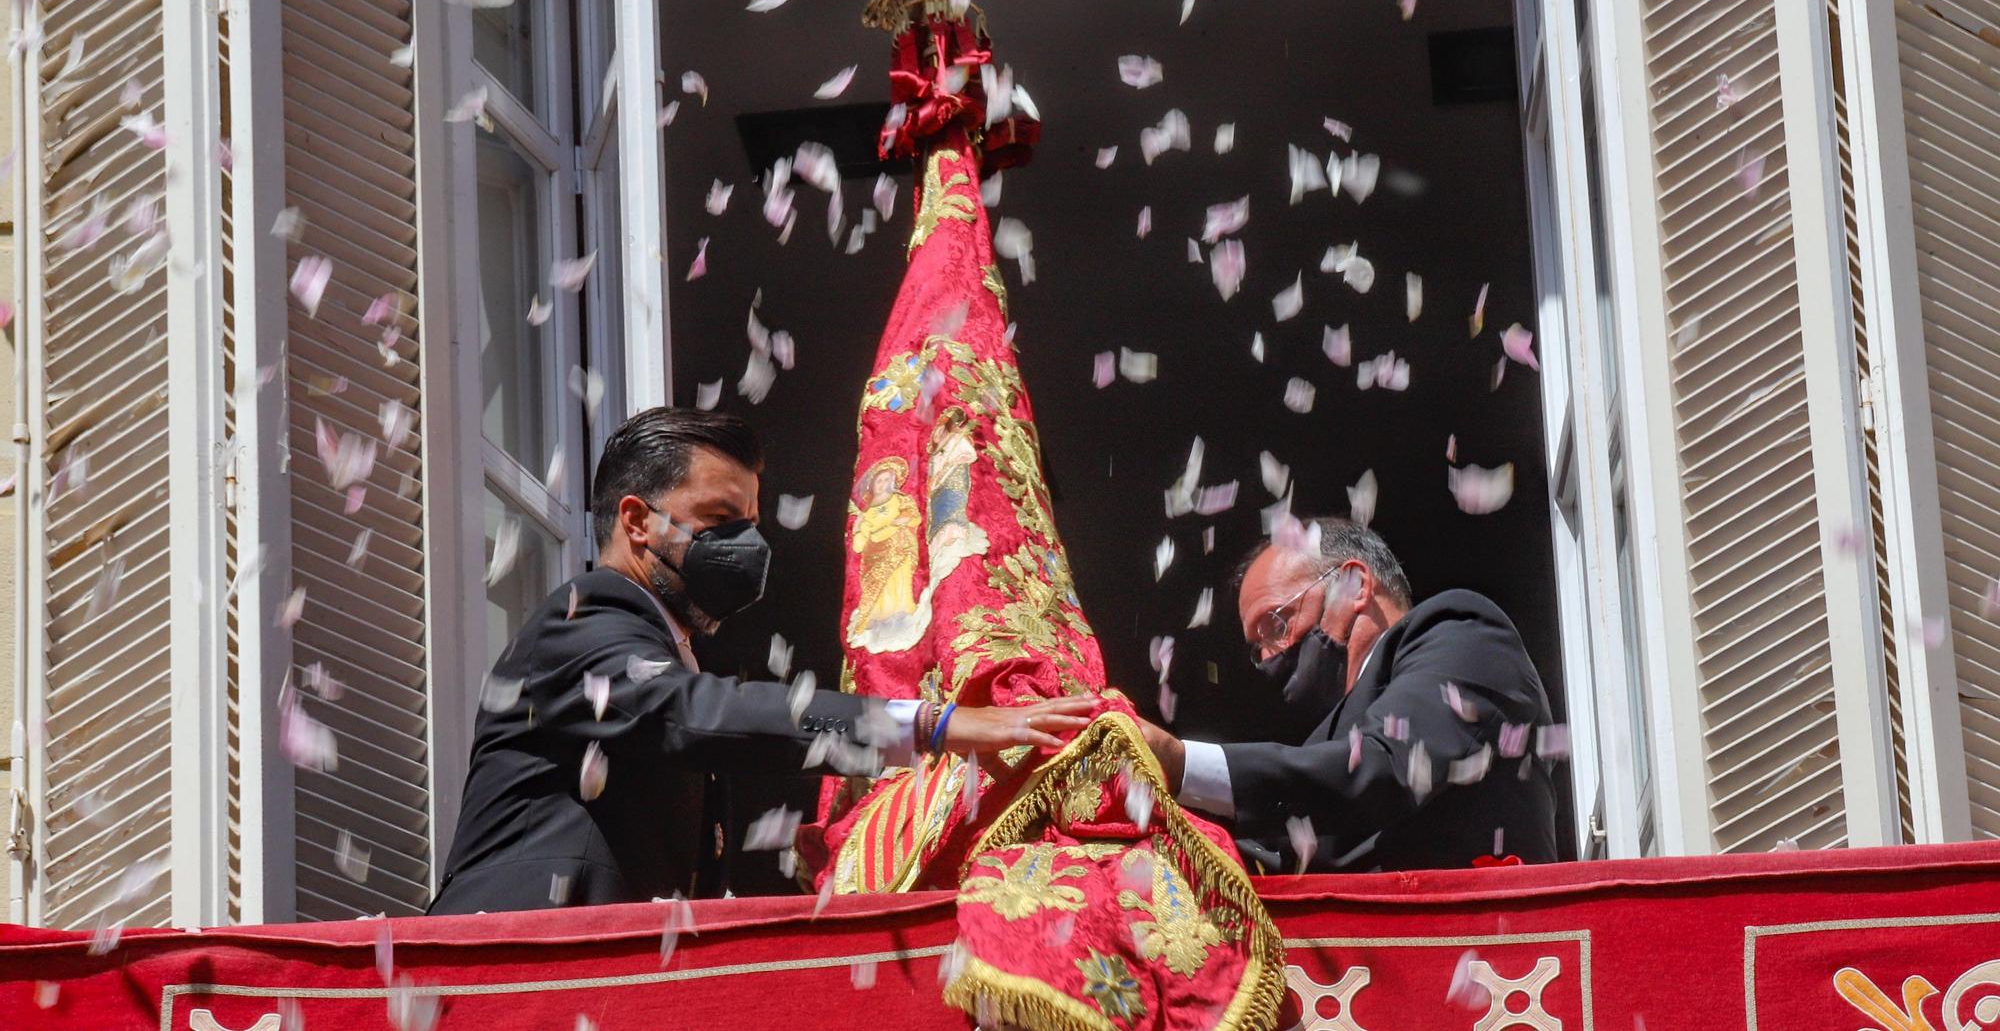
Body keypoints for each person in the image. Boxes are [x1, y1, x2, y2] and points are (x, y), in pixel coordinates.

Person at [430, 407, 1092, 913]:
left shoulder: (668, 652)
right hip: (500, 980)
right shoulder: (586, 615)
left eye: (750, 521)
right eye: (719, 517)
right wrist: (928, 726)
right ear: (637, 521)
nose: (745, 544)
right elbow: (698, 715)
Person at [1138, 517, 1559, 873]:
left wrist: (1181, 763)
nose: (1269, 658)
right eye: (1257, 649)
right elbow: (1285, 853)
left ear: (1354, 585)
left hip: (1486, 950)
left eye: (1278, 625)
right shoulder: (1327, 740)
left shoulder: (1462, 630)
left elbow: (1385, 767)